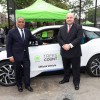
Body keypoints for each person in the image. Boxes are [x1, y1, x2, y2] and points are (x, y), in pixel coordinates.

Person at [6, 17, 43, 92]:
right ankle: (19, 85)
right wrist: (10, 56)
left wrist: (42, 42)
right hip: (16, 56)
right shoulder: (11, 32)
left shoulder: (27, 31)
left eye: (22, 22)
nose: (21, 23)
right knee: (17, 71)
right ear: (17, 23)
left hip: (25, 55)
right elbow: (8, 45)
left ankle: (27, 85)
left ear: (24, 23)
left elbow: (33, 38)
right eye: (19, 22)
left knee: (27, 70)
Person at [57, 13, 83, 90]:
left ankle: (76, 82)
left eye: (70, 17)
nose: (69, 19)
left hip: (75, 52)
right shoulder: (61, 28)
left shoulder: (78, 27)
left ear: (73, 18)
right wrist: (63, 45)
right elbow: (58, 38)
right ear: (66, 19)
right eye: (67, 18)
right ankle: (66, 79)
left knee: (76, 69)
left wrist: (70, 45)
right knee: (66, 67)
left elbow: (79, 38)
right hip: (64, 51)